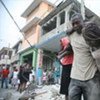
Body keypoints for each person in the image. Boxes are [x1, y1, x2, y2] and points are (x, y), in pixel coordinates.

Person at [68, 13, 100, 100]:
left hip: (91, 77)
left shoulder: (90, 34)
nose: (75, 25)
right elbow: (70, 47)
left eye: (77, 22)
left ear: (83, 21)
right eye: (73, 24)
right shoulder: (71, 35)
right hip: (75, 76)